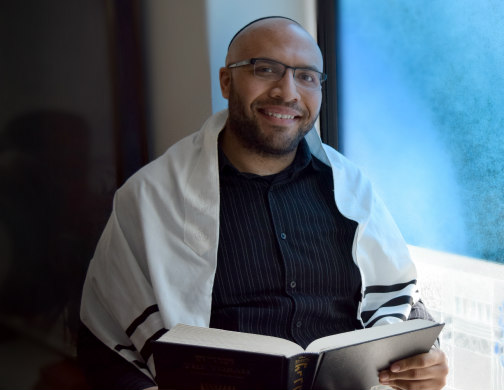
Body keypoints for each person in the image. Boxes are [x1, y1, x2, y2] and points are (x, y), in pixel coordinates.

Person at [78, 16, 448, 390]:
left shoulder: (351, 188)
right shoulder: (150, 198)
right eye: (266, 69)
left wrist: (426, 359)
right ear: (226, 81)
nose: (287, 93)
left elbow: (401, 298)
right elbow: (105, 348)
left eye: (306, 77)